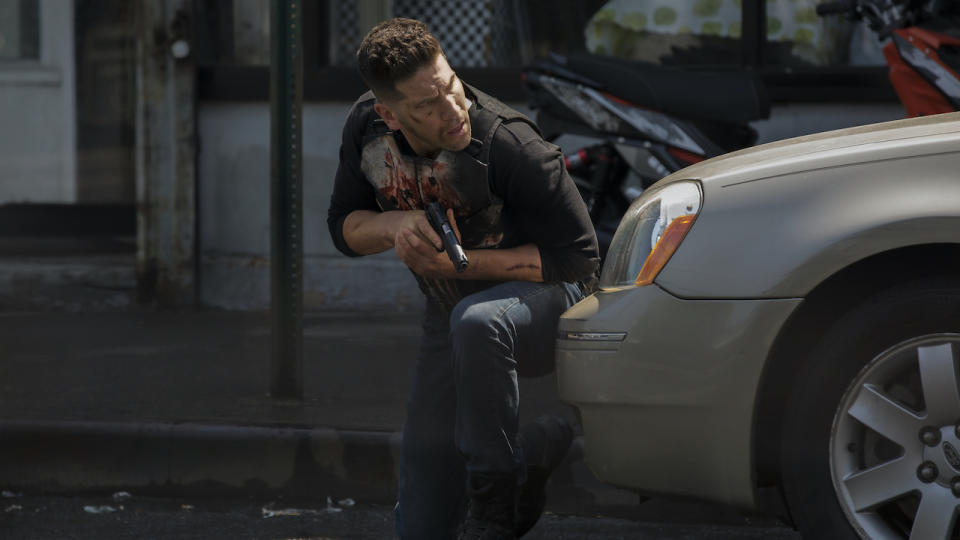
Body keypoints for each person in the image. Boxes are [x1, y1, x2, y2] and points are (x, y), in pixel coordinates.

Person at [326, 18, 599, 540]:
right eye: (427, 104)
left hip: (550, 305)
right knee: (421, 528)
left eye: (451, 86)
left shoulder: (510, 142)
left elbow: (581, 260)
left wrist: (463, 263)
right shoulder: (367, 130)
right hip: (448, 317)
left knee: (478, 321)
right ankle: (534, 450)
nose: (452, 110)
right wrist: (394, 224)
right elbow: (343, 227)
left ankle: (495, 506)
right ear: (389, 113)